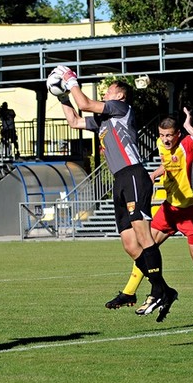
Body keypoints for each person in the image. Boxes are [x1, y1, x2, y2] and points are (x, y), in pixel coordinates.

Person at [53, 65, 178, 322]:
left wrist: (70, 79)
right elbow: (75, 120)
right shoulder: (104, 120)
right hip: (119, 180)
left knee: (143, 236)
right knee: (130, 245)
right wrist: (62, 96)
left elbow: (85, 103)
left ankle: (157, 290)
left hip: (133, 175)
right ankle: (165, 290)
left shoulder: (121, 109)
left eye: (109, 90)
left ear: (119, 96)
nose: (105, 92)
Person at [106, 108, 193, 333]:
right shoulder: (161, 146)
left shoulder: (189, 144)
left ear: (178, 133)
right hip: (169, 208)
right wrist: (155, 174)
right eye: (162, 135)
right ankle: (130, 291)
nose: (165, 140)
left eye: (169, 135)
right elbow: (170, 165)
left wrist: (189, 127)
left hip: (192, 209)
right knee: (144, 247)